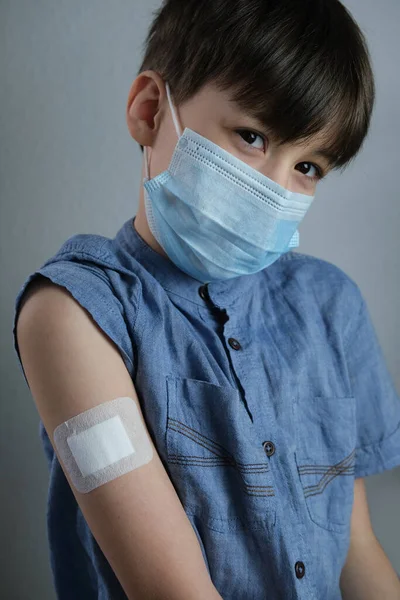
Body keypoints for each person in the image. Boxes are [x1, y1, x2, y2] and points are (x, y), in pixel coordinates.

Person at [12, 1, 400, 598]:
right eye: (252, 136)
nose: (275, 189)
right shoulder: (76, 315)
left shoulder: (330, 305)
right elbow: (171, 589)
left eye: (308, 166)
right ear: (149, 112)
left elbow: (358, 551)